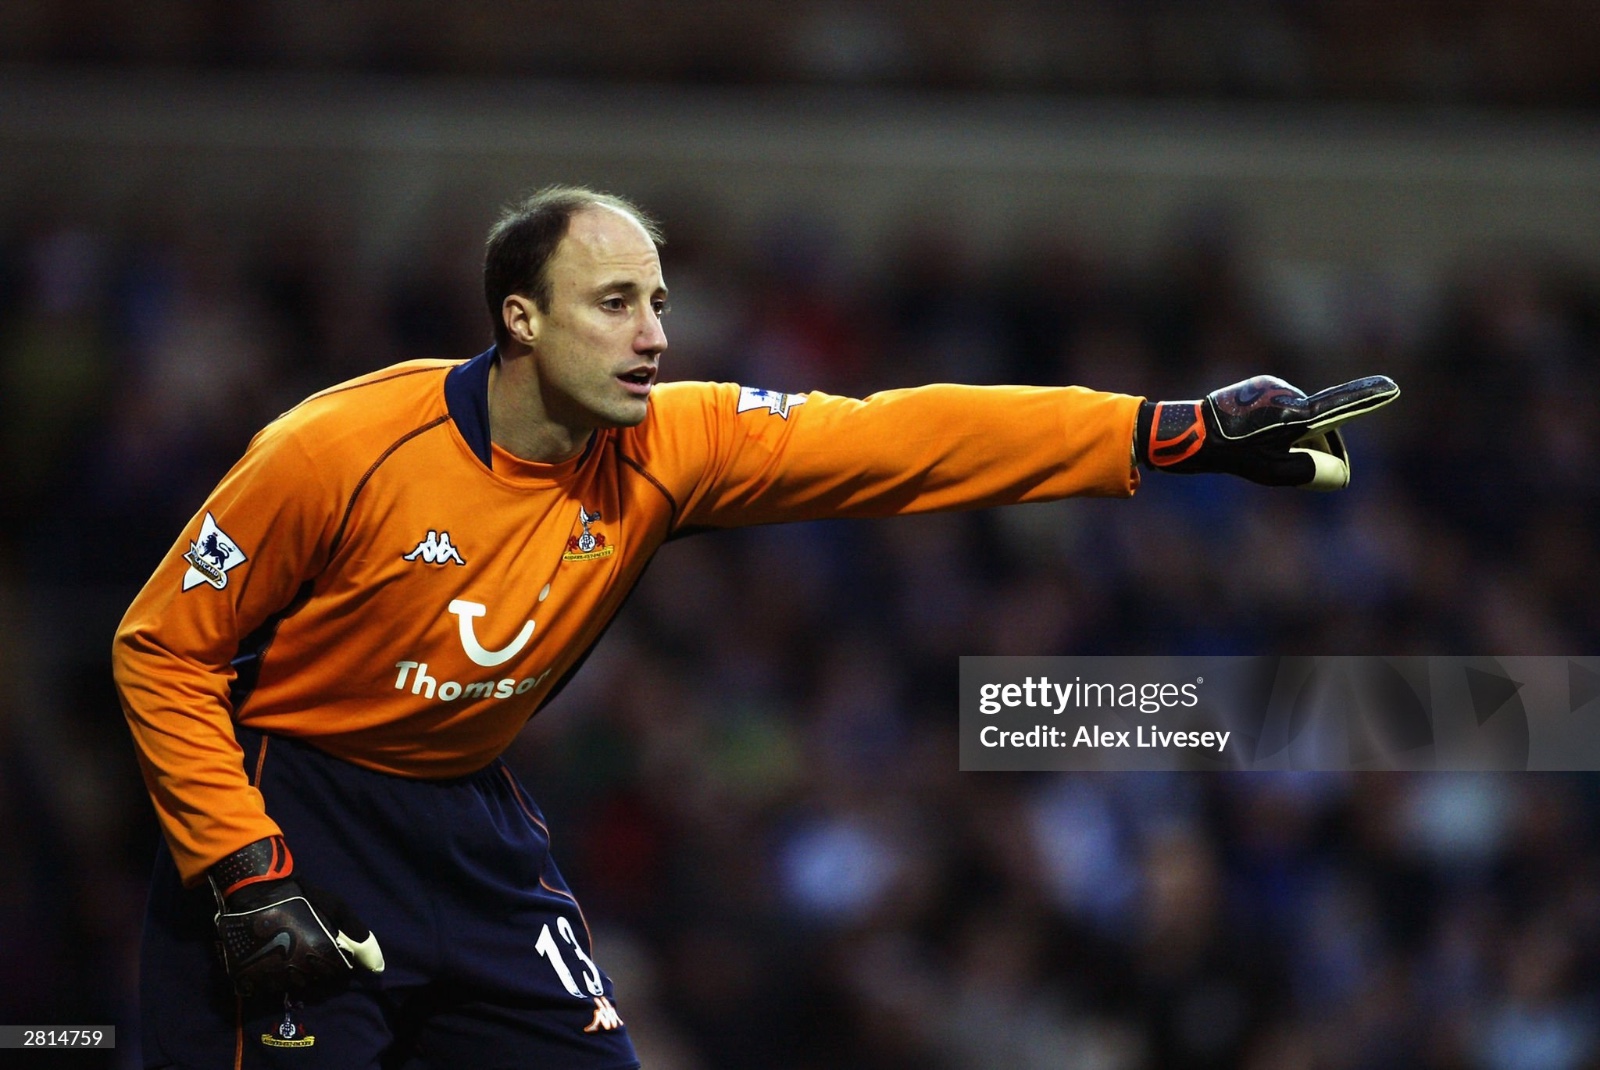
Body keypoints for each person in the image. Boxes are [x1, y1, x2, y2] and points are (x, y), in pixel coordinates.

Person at [112, 185, 1397, 1068]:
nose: (655, 335)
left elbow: (908, 432)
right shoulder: (337, 446)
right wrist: (245, 867)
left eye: (659, 301)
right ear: (519, 317)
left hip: (473, 825)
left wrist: (1163, 430)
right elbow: (162, 645)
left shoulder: (676, 442)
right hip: (297, 821)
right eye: (614, 302)